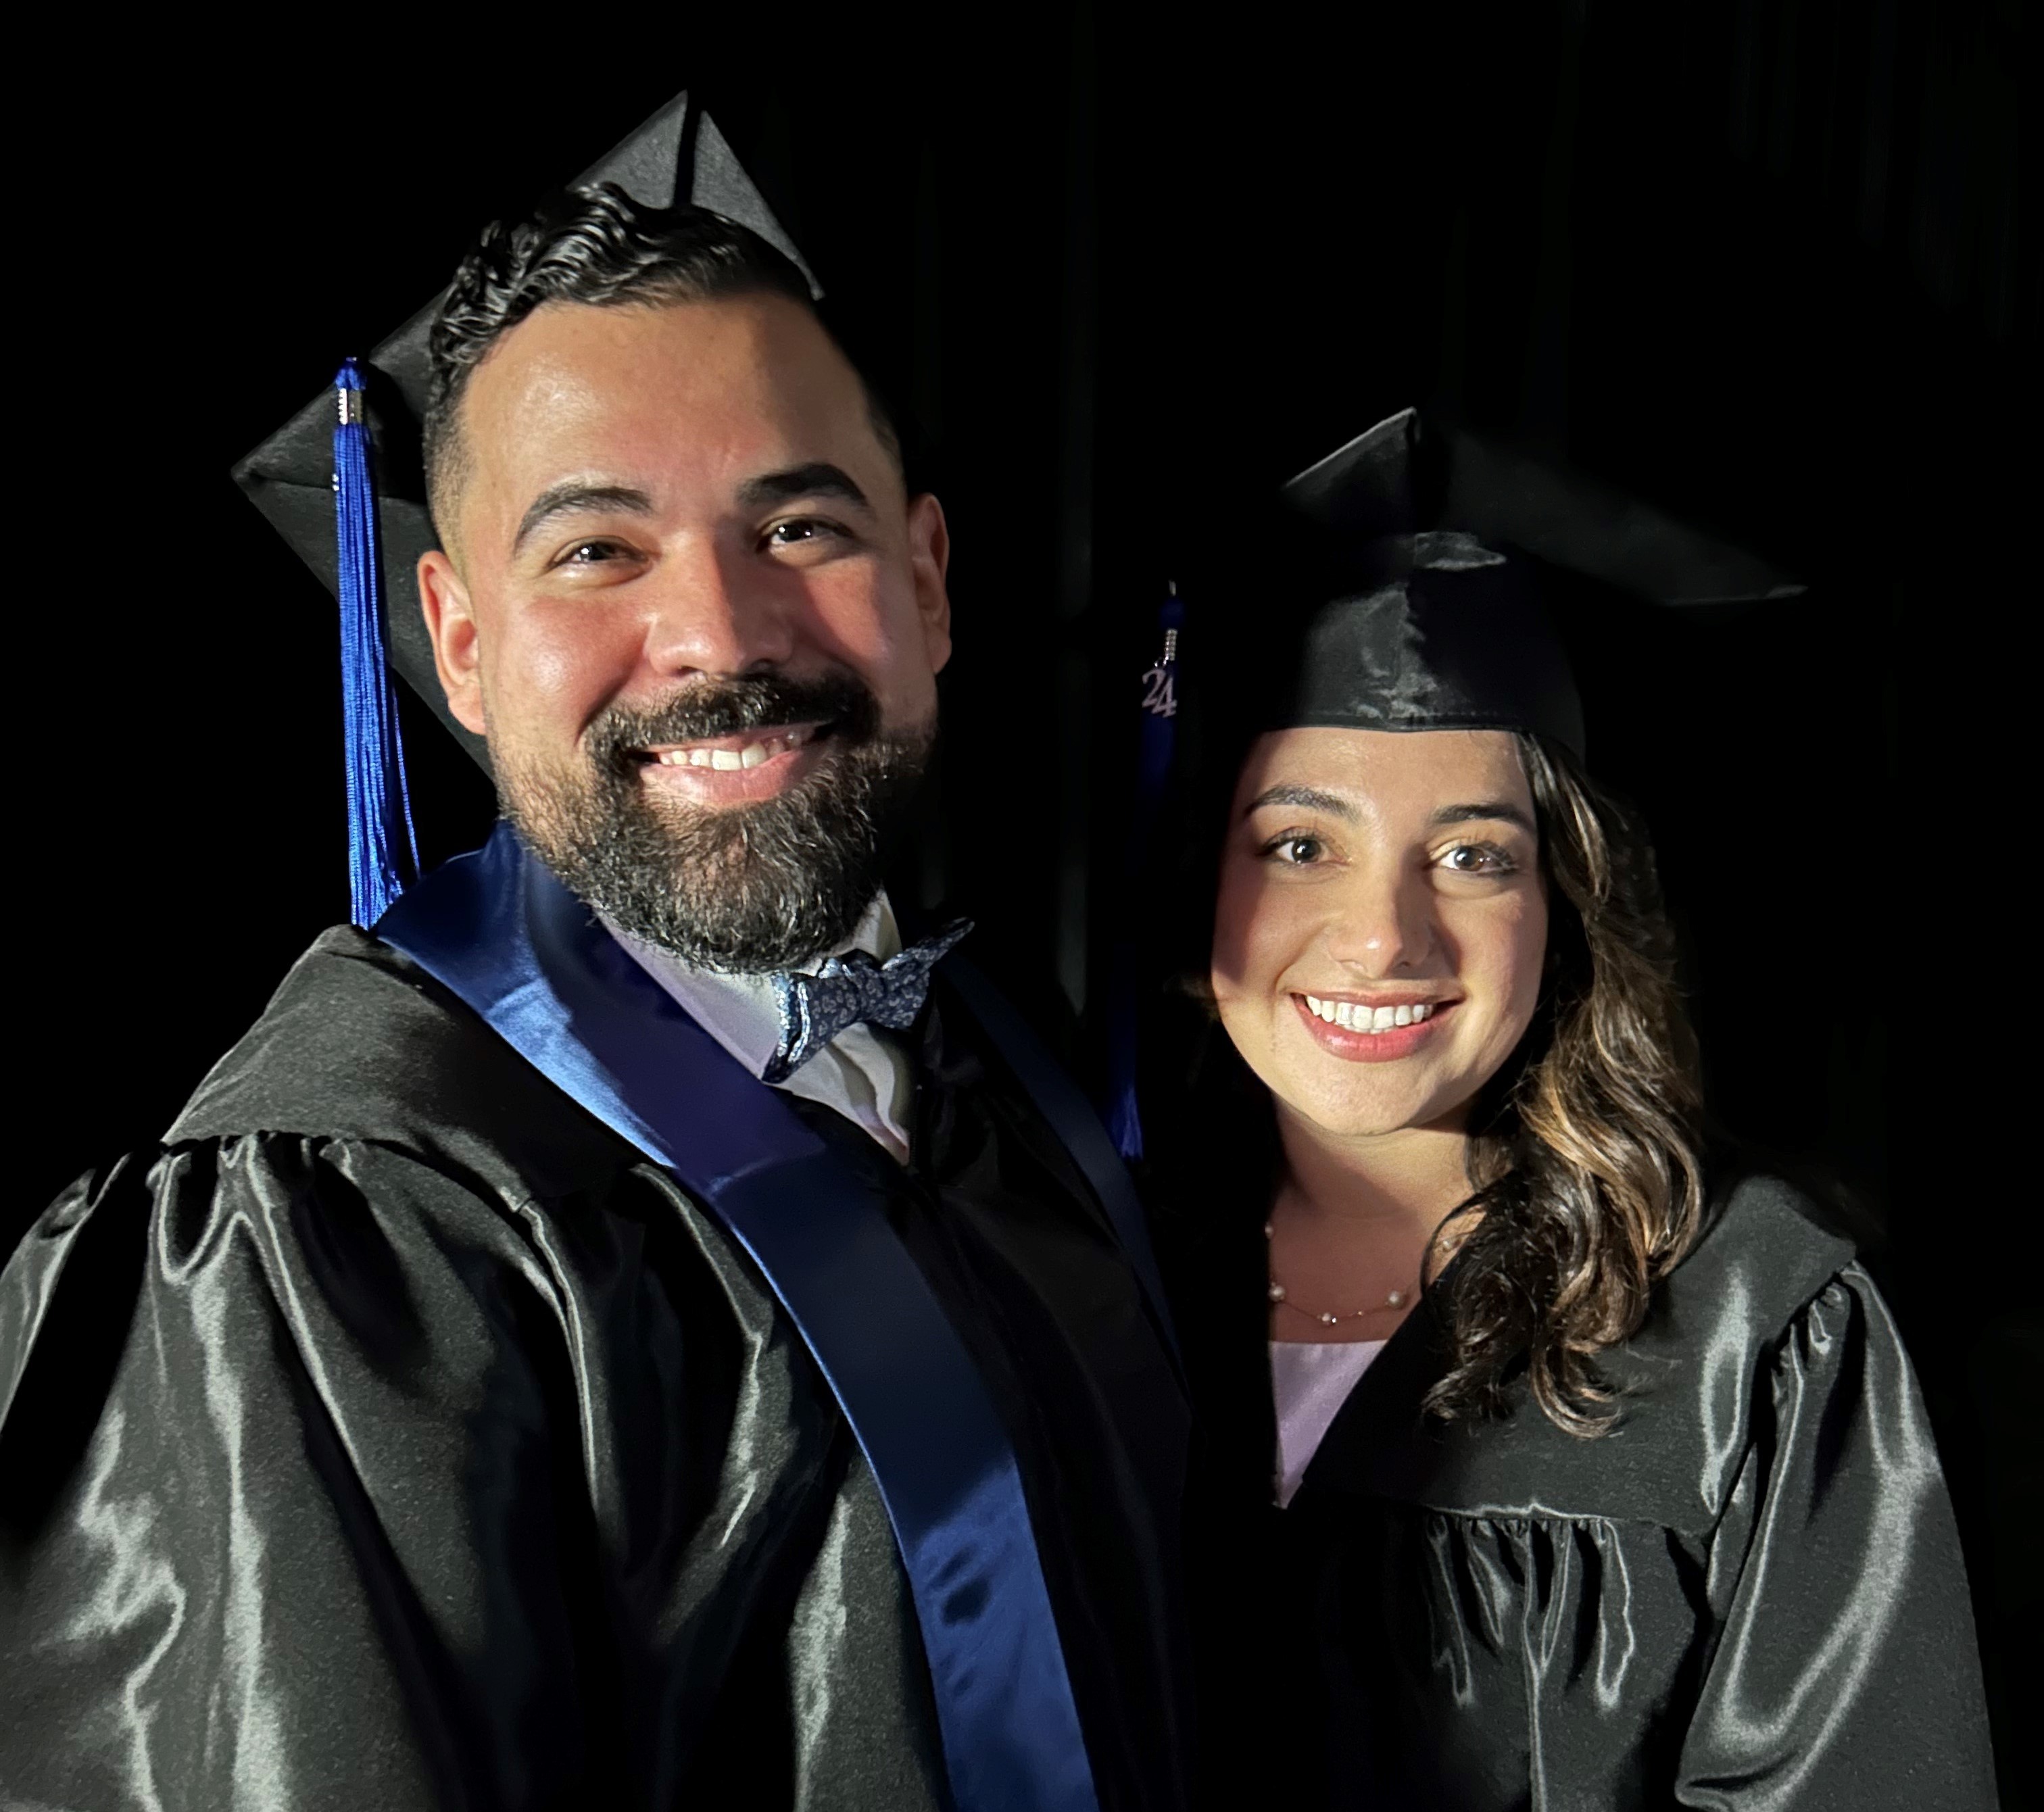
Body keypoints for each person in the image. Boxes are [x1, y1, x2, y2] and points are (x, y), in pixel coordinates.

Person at [0, 100, 1189, 1812]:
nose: (718, 634)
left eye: (800, 528)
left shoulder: (1007, 1062)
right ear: (461, 646)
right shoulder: (349, 1223)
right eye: (596, 552)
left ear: (927, 583)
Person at [1148, 408, 1996, 1809]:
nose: (1385, 938)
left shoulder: (1749, 1324)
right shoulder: (1077, 1276)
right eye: (1302, 845)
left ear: (1566, 903)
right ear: (1203, 883)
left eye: (1475, 855)